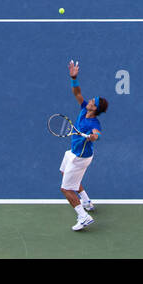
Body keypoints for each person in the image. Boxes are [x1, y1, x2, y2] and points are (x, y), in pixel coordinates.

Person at [60, 60, 107, 232]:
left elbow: (97, 134)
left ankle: (83, 216)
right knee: (64, 172)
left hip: (80, 158)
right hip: (73, 153)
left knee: (66, 189)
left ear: (94, 109)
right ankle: (86, 201)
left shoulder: (93, 122)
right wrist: (74, 77)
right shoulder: (83, 108)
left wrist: (92, 136)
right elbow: (77, 92)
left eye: (92, 103)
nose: (89, 102)